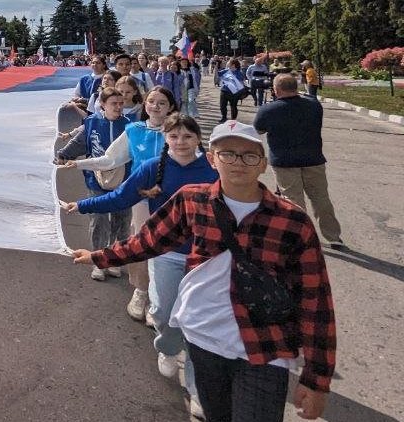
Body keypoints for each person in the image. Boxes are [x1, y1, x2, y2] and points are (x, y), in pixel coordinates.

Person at [71, 121, 336, 422]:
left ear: (263, 164)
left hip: (264, 346)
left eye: (249, 156)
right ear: (212, 159)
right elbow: (148, 241)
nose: (238, 162)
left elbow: (316, 303)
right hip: (203, 338)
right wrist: (99, 257)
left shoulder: (292, 221)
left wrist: (318, 380)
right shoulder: (192, 200)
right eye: (227, 154)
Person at [62, 114, 217, 412]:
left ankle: (199, 390)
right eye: (174, 137)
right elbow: (120, 197)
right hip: (167, 254)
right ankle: (168, 347)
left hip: (207, 258)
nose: (181, 142)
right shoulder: (152, 169)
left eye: (187, 136)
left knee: (198, 323)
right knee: (162, 312)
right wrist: (81, 205)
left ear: (198, 138)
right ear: (166, 139)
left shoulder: (212, 169)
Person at [65, 86, 179, 321]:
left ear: (171, 107)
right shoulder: (134, 130)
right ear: (145, 105)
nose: (156, 106)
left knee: (169, 248)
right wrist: (79, 164)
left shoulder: (180, 131)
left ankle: (160, 301)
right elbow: (109, 159)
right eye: (152, 101)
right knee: (141, 244)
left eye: (162, 103)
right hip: (142, 200)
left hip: (173, 199)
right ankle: (141, 291)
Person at [254, 74, 345, 250]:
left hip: (285, 161)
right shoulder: (313, 105)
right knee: (320, 198)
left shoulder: (269, 109)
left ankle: (299, 236)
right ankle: (333, 236)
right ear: (296, 87)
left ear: (276, 90)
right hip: (313, 158)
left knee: (293, 200)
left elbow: (258, 129)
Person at [54, 88, 132, 280]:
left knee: (121, 222)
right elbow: (80, 143)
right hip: (96, 180)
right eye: (114, 103)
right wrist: (63, 155)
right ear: (102, 105)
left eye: (121, 103)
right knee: (99, 221)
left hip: (123, 181)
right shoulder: (92, 123)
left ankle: (115, 259)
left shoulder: (130, 126)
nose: (119, 107)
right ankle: (99, 260)